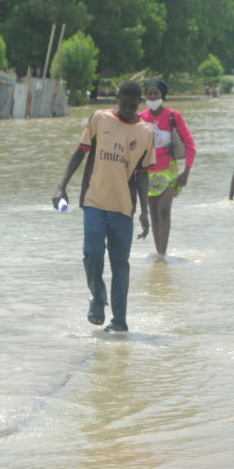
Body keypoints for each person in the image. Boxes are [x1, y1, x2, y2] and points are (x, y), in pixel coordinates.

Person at [52, 81, 155, 332]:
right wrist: (61, 185)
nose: (128, 109)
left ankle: (119, 322)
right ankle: (98, 299)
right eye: (124, 104)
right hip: (94, 201)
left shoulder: (146, 132)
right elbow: (80, 152)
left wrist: (144, 211)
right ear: (117, 98)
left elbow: (142, 175)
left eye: (133, 105)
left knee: (120, 264)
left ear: (139, 103)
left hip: (123, 207)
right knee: (92, 253)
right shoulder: (100, 119)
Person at [139, 80, 196, 258]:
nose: (153, 97)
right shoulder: (141, 117)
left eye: (156, 93)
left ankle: (163, 251)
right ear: (146, 96)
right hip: (148, 171)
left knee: (165, 211)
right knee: (154, 213)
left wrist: (186, 172)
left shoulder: (173, 116)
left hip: (169, 170)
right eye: (150, 94)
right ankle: (159, 253)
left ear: (162, 95)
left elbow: (190, 145)